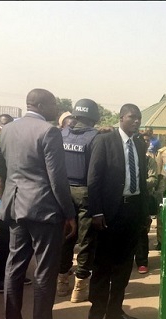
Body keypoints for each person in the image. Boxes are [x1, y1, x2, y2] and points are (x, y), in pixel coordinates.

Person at [0, 88, 77, 319]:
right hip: (45, 211)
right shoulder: (49, 132)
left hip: (15, 207)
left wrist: (11, 185)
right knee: (44, 272)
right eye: (54, 104)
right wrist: (69, 213)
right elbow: (57, 179)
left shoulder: (7, 129)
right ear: (41, 105)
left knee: (14, 268)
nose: (56, 109)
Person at [85, 104, 148, 319]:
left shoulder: (140, 145)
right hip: (109, 213)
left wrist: (143, 213)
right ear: (121, 118)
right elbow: (93, 179)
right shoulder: (105, 141)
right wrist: (97, 212)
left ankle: (115, 309)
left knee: (123, 266)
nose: (137, 121)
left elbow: (140, 180)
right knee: (103, 265)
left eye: (139, 118)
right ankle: (95, 315)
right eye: (132, 117)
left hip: (132, 213)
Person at [57, 99, 100, 303]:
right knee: (85, 240)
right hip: (86, 192)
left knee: (66, 237)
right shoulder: (96, 137)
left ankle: (62, 281)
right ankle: (80, 286)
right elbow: (96, 172)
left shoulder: (61, 134)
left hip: (62, 191)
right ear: (94, 117)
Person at [0, 115, 32, 293]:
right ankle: (1, 279)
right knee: (8, 243)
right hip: (10, 200)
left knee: (19, 243)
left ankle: (14, 277)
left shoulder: (16, 143)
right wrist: (5, 191)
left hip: (18, 201)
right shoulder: (5, 142)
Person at [134, 132, 158, 274]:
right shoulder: (127, 156)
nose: (145, 144)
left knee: (141, 232)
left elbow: (153, 179)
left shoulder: (149, 161)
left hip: (143, 199)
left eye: (147, 141)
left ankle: (142, 261)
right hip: (125, 199)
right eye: (141, 141)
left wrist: (136, 184)